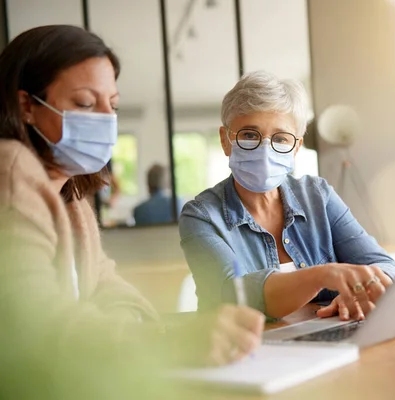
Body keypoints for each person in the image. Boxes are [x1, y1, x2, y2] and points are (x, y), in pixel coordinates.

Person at [0, 25, 264, 398]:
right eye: (86, 104)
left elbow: (106, 284)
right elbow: (37, 327)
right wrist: (166, 343)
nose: (106, 119)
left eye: (114, 105)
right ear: (27, 106)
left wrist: (133, 334)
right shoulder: (9, 169)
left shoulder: (70, 193)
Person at [179, 71, 395, 321]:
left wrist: (359, 294)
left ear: (295, 147)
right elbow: (233, 294)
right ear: (225, 139)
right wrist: (321, 275)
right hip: (247, 350)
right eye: (250, 135)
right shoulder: (201, 216)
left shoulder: (319, 196)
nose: (265, 149)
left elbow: (385, 266)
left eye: (281, 138)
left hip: (328, 340)